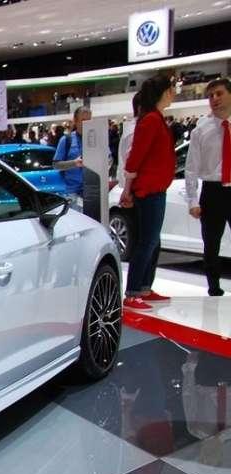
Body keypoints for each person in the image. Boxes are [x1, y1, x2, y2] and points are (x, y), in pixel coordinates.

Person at [121, 75, 177, 310]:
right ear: (164, 91)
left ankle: (144, 287)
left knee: (153, 241)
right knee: (147, 241)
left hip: (155, 188)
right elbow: (136, 156)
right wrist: (128, 189)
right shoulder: (151, 120)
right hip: (149, 189)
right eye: (172, 89)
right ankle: (133, 292)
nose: (174, 93)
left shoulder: (155, 118)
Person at [185, 78, 231, 296]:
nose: (214, 99)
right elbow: (191, 168)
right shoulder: (201, 130)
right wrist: (192, 200)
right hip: (212, 192)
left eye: (219, 94)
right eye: (211, 96)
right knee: (211, 243)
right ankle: (214, 287)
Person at [52, 106, 92, 212]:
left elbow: (108, 159)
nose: (86, 124)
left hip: (92, 193)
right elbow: (56, 165)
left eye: (89, 120)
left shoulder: (96, 140)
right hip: (72, 194)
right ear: (75, 120)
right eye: (83, 120)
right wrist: (74, 163)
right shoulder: (66, 140)